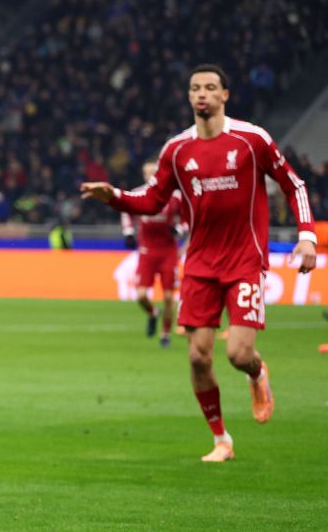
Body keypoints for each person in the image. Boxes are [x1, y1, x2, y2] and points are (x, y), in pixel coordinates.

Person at [81, 64, 316, 462]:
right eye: (195, 88)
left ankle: (258, 373)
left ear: (225, 95)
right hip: (200, 263)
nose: (201, 94)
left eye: (209, 87)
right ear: (189, 96)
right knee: (197, 357)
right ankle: (222, 439)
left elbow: (294, 184)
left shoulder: (251, 139)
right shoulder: (176, 150)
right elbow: (152, 200)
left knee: (238, 354)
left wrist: (306, 235)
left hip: (244, 259)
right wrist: (115, 196)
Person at [119, 160, 187, 348]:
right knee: (141, 295)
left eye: (154, 172)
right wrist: (128, 232)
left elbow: (188, 217)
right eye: (148, 173)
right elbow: (126, 211)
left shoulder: (174, 196)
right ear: (144, 175)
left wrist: (179, 230)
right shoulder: (138, 193)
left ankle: (165, 334)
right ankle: (153, 313)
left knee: (168, 296)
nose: (151, 176)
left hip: (168, 251)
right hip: (147, 250)